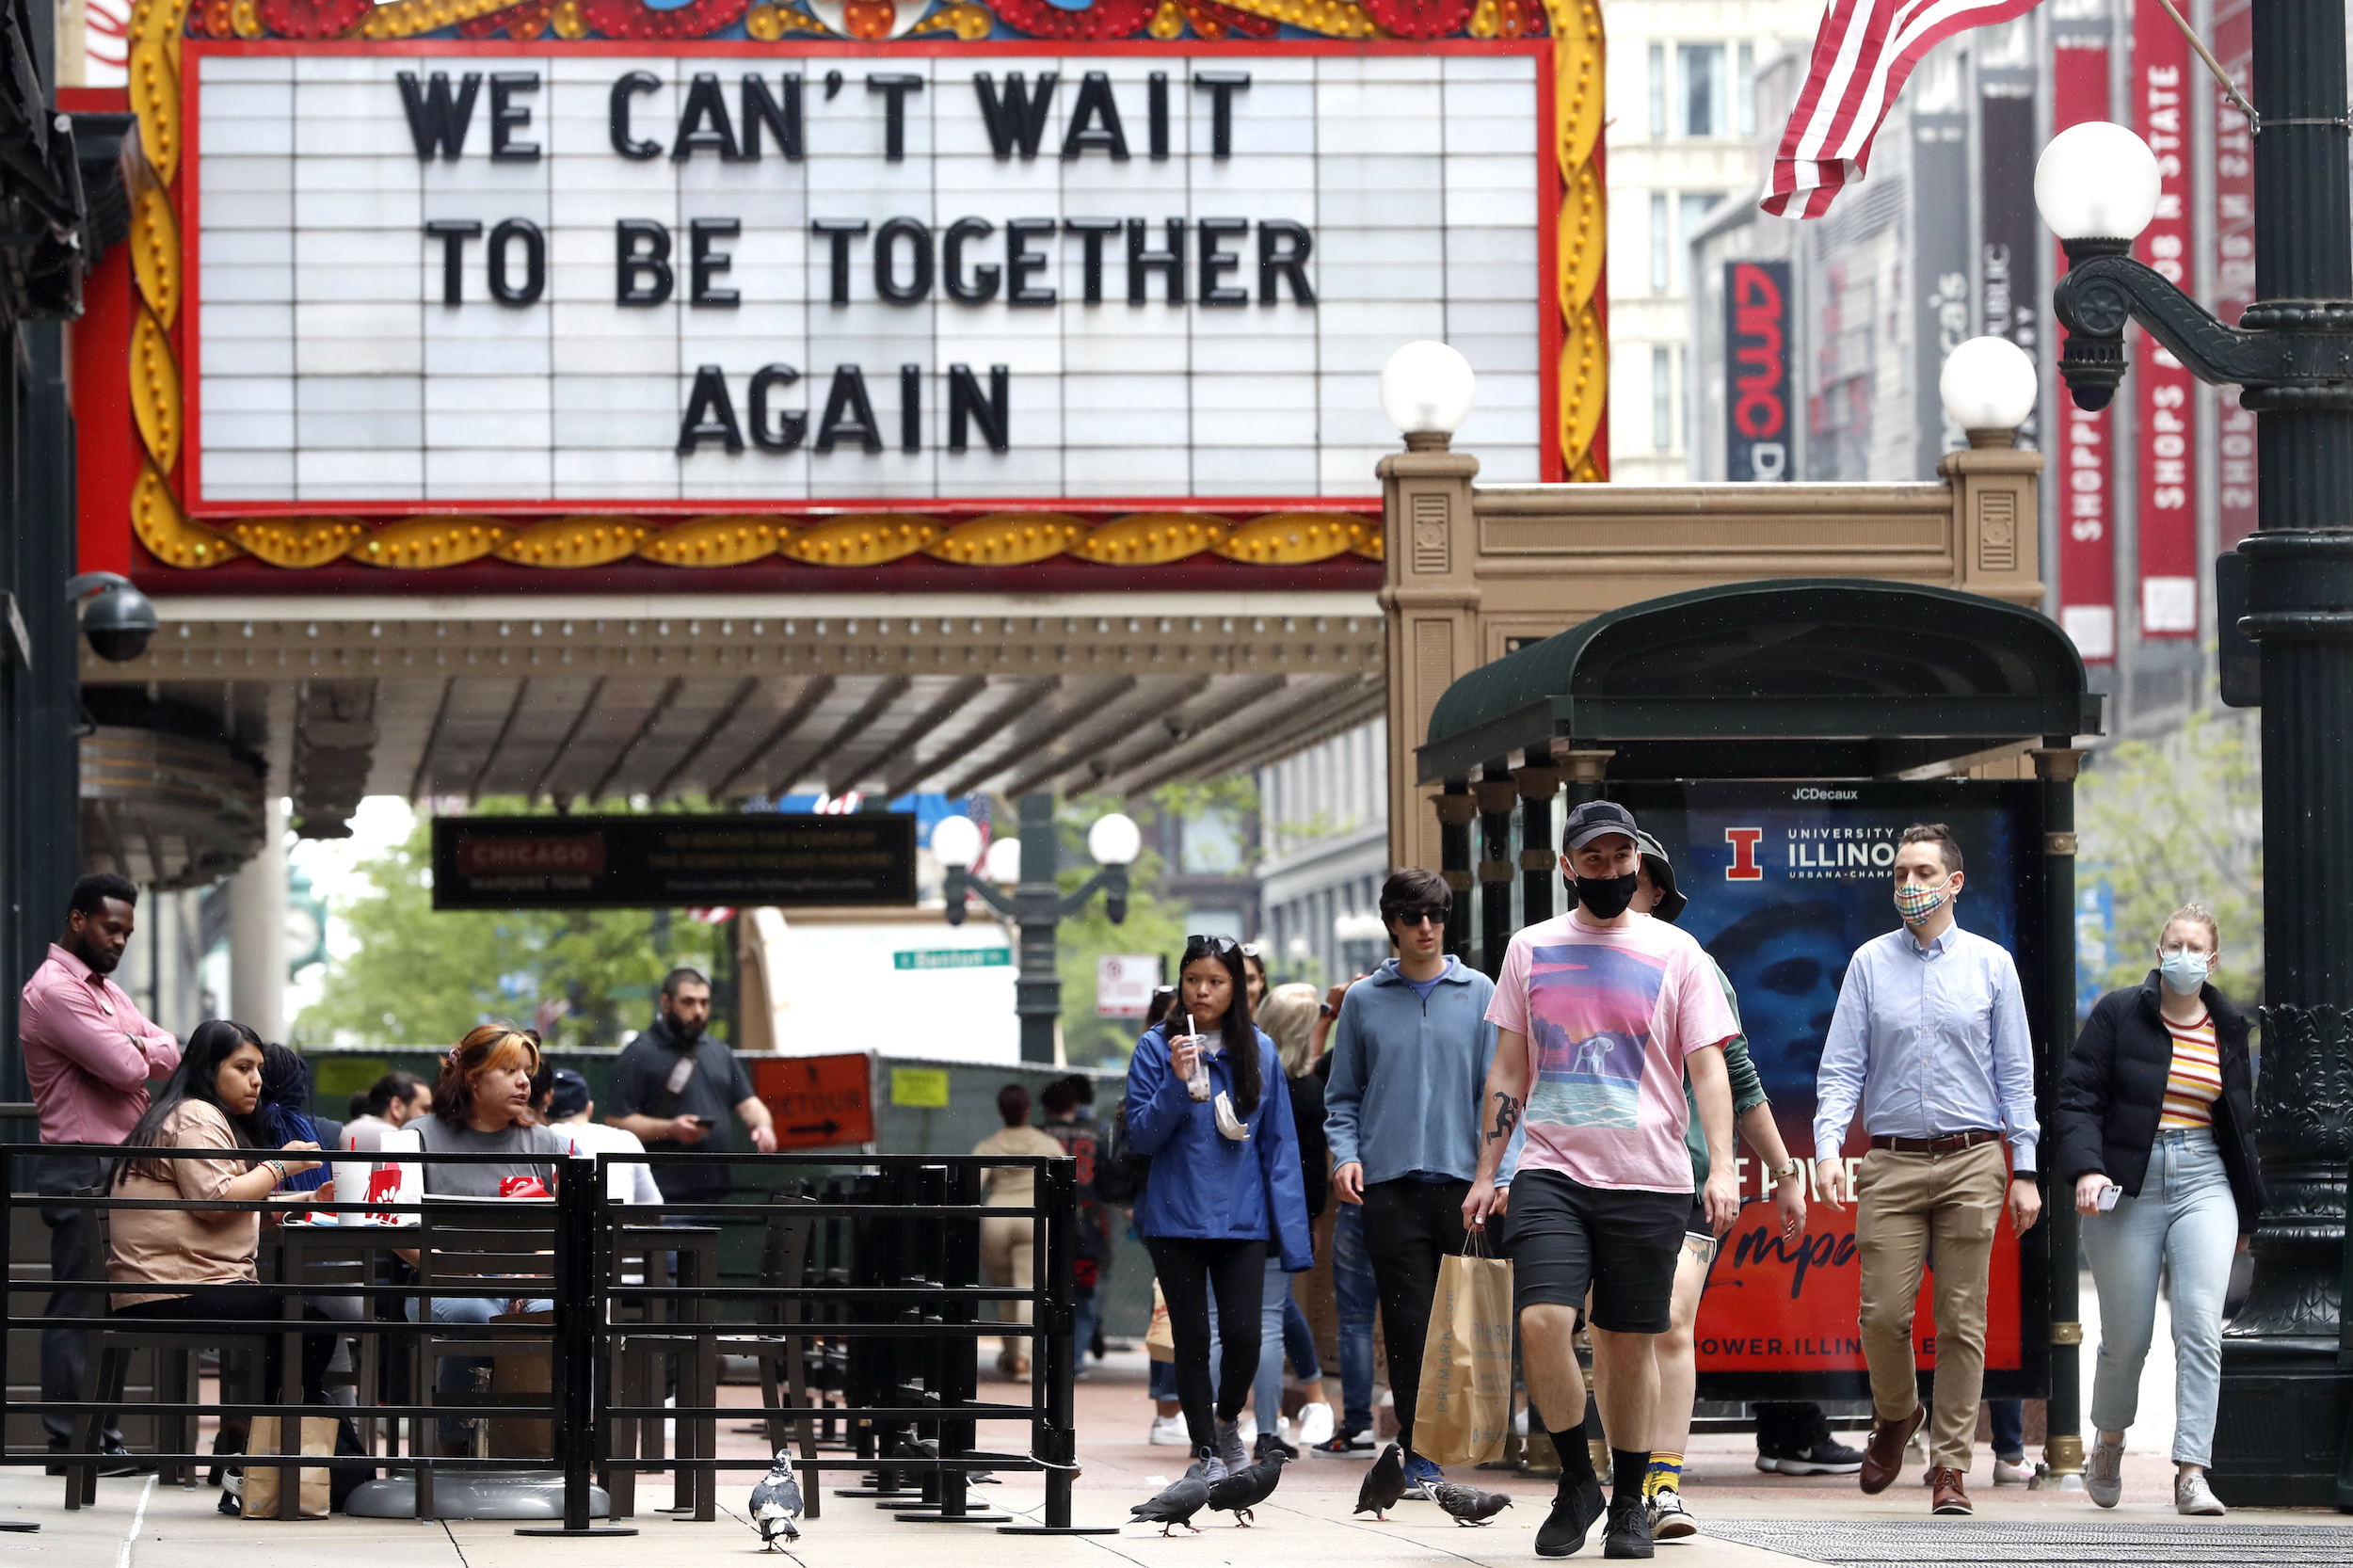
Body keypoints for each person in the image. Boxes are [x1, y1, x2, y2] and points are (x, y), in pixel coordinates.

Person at [1465, 800, 1740, 1560]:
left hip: (1649, 1177)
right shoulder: (1529, 949)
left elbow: (1708, 1068)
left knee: (1626, 1343)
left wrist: (1722, 1165)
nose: (1611, 871)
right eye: (1595, 860)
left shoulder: (1678, 951)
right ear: (1567, 866)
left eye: (1622, 859)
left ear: (1637, 864)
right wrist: (1488, 1170)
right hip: (1550, 1168)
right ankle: (1576, 1478)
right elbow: (1510, 1070)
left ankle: (1627, 1502)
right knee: (1544, 1322)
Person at [1586, 833, 1814, 1539]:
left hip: (1680, 1177)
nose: (1628, 888)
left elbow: (1739, 1082)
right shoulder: (1563, 959)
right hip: (1590, 1176)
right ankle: (1620, 1477)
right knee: (1612, 1330)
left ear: (1657, 893)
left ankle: (1663, 1483)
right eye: (1617, 874)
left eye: (1642, 879)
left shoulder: (1697, 969)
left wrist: (1780, 1172)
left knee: (1672, 1319)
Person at [1812, 823, 2041, 1519]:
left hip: (1975, 1158)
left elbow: (2016, 1074)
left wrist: (2025, 1167)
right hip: (1893, 1161)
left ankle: (1950, 1467)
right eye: (1900, 876)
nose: (1909, 887)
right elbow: (1843, 1066)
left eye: (1921, 873)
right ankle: (1897, 1413)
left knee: (1962, 1320)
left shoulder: (1991, 965)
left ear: (1954, 883)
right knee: (1881, 1314)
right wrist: (1827, 1149)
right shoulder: (1868, 964)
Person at [2057, 904, 2261, 1518]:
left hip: (2205, 1180)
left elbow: (2240, 1129)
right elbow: (2077, 1098)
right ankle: (2111, 1439)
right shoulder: (2119, 1012)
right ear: (2158, 949)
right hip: (2129, 1181)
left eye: (2196, 947)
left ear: (2213, 959)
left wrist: (2247, 1217)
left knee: (2199, 1325)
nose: (2184, 955)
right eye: (2175, 943)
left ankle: (2192, 1471)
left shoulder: (2227, 1027)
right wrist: (2087, 1168)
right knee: (2128, 1338)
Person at [1326, 867, 1511, 1500]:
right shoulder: (1362, 1001)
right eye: (1413, 918)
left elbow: (1501, 1093)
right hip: (1390, 1188)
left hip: (1466, 1189)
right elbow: (1342, 1096)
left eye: (1435, 916)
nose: (1426, 929)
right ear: (1393, 925)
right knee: (1407, 1324)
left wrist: (1501, 1174)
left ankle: (1472, 1435)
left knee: (1462, 1321)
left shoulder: (1480, 991)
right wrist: (1345, 1156)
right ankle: (1420, 1451)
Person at [1125, 934, 1312, 1483]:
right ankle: (1204, 1451)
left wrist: (1293, 1235)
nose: (1201, 992)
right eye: (1192, 981)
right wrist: (1178, 1085)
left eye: (1215, 982)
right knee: (1191, 1340)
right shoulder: (1156, 1048)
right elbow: (1141, 1137)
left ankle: (1228, 1419)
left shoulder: (1260, 1049)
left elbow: (1279, 1145)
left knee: (1246, 1336)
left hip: (1241, 1216)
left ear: (1237, 988)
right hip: (1174, 1217)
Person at [21, 872, 182, 1472]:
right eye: (111, 927)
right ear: (78, 920)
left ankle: (103, 1439)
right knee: (80, 1304)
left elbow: (172, 1049)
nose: (120, 940)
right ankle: (72, 1444)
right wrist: (136, 1048)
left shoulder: (106, 994)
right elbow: (125, 1064)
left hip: (118, 1165)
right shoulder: (54, 991)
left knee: (118, 1305)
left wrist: (138, 1047)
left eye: (128, 932)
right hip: (81, 1162)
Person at [105, 1020, 335, 1410]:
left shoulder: (198, 1115)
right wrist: (282, 1164)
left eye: (259, 1069)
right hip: (173, 1289)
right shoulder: (195, 1116)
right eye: (243, 1068)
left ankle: (251, 1442)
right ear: (210, 1069)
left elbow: (233, 1202)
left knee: (303, 1322)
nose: (257, 1081)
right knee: (308, 1327)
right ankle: (265, 1445)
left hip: (186, 1282)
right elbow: (215, 1203)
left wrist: (309, 1198)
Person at [408, 1025, 569, 1437]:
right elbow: (397, 1231)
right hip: (439, 1281)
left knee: (567, 1315)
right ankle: (455, 1449)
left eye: (528, 1072)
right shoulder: (419, 1137)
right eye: (510, 1070)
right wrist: (457, 1268)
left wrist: (531, 1276)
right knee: (476, 1315)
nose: (523, 1082)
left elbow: (562, 1228)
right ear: (473, 1077)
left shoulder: (545, 1143)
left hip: (527, 1284)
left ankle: (558, 1446)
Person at [607, 967, 777, 1206]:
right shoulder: (639, 1053)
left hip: (713, 1195)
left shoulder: (719, 1051)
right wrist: (672, 1129)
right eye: (688, 1002)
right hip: (663, 1196)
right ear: (666, 1003)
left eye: (704, 1003)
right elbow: (617, 1121)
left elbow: (748, 1103)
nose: (698, 1011)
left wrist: (763, 1126)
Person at [1252, 983, 1336, 1457]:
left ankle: (1255, 1419)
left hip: (1250, 1209)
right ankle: (1286, 1412)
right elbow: (1310, 1167)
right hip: (1291, 1211)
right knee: (1271, 1310)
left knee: (1252, 1314)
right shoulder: (1307, 1090)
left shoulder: (1256, 1081)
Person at [974, 1083, 1066, 1379]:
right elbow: (1064, 1182)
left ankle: (1011, 1352)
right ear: (1028, 1109)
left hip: (997, 1218)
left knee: (1006, 1294)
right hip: (1034, 1217)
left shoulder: (989, 1145)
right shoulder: (1046, 1144)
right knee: (1030, 1289)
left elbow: (972, 1183)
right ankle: (1024, 1358)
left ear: (1001, 1111)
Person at [1040, 1077, 1111, 1380]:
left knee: (1046, 1294)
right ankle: (1076, 1360)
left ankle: (1046, 1359)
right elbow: (1109, 1175)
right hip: (1088, 1223)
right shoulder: (1099, 1133)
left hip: (1047, 1220)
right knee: (1082, 1296)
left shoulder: (1039, 1134)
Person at [545, 1067, 664, 1205]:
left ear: (544, 1110)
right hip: (617, 1225)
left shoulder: (537, 1142)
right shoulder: (626, 1140)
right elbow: (652, 1209)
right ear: (590, 1108)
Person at [343, 1071, 430, 1153]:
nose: (429, 1116)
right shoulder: (394, 1137)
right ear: (397, 1107)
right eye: (425, 1109)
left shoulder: (351, 1129)